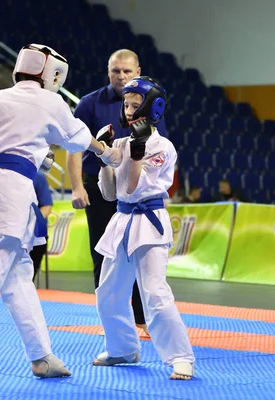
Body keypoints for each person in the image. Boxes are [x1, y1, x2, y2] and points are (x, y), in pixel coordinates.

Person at [0, 43, 122, 389]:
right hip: (10, 188)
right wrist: (104, 151)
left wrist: (32, 158)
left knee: (18, 274)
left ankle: (41, 356)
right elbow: (76, 138)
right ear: (54, 75)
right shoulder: (49, 100)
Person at [92, 76, 194, 380]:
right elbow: (111, 194)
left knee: (154, 292)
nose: (129, 110)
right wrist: (103, 155)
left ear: (153, 109)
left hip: (149, 223)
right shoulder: (122, 143)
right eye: (126, 104)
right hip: (122, 221)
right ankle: (122, 348)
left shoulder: (163, 147)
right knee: (108, 292)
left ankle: (180, 357)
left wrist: (135, 154)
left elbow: (136, 188)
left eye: (136, 105)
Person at [66, 49, 167, 336]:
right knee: (103, 253)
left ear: (137, 71)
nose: (121, 76)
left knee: (138, 253)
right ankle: (111, 321)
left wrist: (157, 192)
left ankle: (141, 320)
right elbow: (75, 146)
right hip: (98, 183)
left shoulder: (151, 102)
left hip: (138, 189)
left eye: (126, 71)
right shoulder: (89, 103)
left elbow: (159, 148)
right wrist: (76, 187)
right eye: (115, 71)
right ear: (108, 71)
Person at [30, 170, 53, 282]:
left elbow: (46, 206)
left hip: (31, 232)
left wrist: (30, 224)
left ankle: (29, 279)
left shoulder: (37, 176)